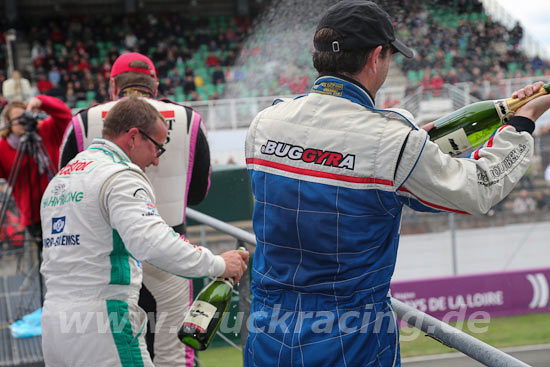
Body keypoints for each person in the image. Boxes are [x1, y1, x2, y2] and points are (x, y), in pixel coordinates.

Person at [243, 1, 550, 366]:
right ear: (376, 57)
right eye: (390, 56)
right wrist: (522, 123)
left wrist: (498, 110)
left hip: (267, 334)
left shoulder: (264, 123)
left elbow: (348, 159)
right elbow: (478, 187)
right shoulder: (392, 140)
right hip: (352, 341)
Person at [40, 95, 249, 367]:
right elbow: (154, 244)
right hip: (104, 321)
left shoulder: (64, 177)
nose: (156, 160)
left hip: (54, 323)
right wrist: (219, 264)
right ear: (134, 137)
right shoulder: (120, 175)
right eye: (157, 148)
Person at [59, 52, 210, 366]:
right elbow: (197, 194)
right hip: (170, 251)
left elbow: (66, 185)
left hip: (107, 258)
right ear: (154, 85)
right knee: (175, 353)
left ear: (113, 86)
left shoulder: (82, 120)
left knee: (116, 348)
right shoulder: (189, 118)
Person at [0, 95, 72, 242]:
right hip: (33, 214)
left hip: (62, 204)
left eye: (26, 115)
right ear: (7, 122)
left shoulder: (46, 130)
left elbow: (65, 115)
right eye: (18, 117)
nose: (23, 121)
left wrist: (41, 102)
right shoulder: (3, 147)